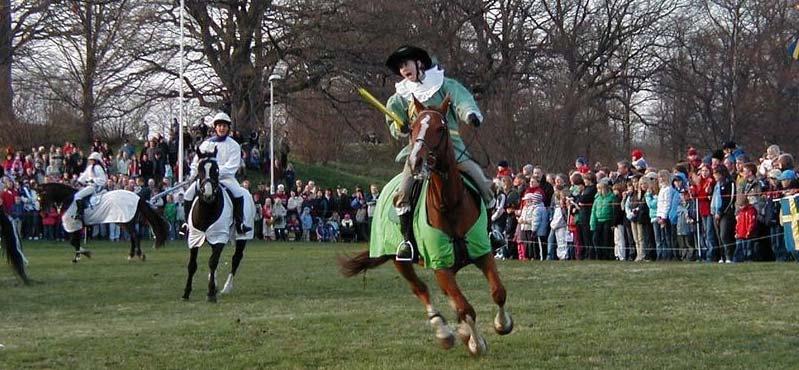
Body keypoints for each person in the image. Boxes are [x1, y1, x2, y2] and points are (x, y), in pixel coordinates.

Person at [383, 45, 494, 260]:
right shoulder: (400, 97)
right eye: (399, 67)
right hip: (418, 151)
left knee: (482, 182)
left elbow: (463, 101)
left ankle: (491, 232)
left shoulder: (445, 84)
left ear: (419, 63)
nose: (403, 69)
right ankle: (407, 242)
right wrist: (399, 127)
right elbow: (393, 119)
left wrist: (471, 114)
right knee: (403, 192)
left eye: (406, 63)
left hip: (452, 148)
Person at [181, 112, 252, 234]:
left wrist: (215, 172)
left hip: (226, 178)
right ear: (215, 127)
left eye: (224, 126)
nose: (222, 128)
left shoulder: (234, 145)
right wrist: (193, 174)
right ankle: (187, 224)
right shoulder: (207, 144)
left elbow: (233, 166)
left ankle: (239, 223)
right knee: (188, 193)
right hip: (206, 178)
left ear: (228, 128)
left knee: (239, 192)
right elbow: (196, 162)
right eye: (219, 126)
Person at [73, 152, 108, 221]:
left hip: (94, 187)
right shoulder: (90, 167)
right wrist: (78, 181)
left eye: (92, 159)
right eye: (90, 159)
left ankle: (80, 213)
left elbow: (103, 179)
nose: (90, 161)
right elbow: (84, 176)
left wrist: (92, 180)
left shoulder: (98, 167)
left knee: (77, 196)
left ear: (95, 160)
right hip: (88, 185)